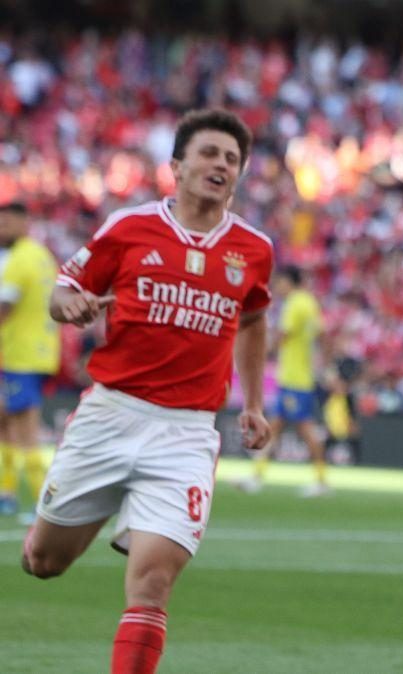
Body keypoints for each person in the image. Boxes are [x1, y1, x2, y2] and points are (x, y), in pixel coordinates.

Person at [21, 109, 274, 674]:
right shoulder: (128, 227)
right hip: (112, 414)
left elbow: (254, 319)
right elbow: (63, 292)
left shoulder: (254, 249)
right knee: (44, 561)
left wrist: (253, 404)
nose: (221, 165)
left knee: (153, 583)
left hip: (186, 432)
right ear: (177, 166)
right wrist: (75, 306)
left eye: (232, 159)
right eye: (209, 154)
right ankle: (64, 525)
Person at [240, 265, 329, 496]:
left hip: (294, 378)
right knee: (274, 426)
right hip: (300, 375)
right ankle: (256, 476)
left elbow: (282, 335)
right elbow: (321, 335)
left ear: (290, 281)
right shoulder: (309, 303)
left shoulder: (294, 305)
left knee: (306, 428)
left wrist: (258, 351)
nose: (278, 287)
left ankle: (321, 481)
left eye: (280, 282)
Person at [0, 202, 60, 521]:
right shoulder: (41, 256)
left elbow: (3, 309)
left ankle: (43, 504)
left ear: (24, 222)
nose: (1, 228)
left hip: (20, 355)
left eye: (6, 222)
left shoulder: (19, 260)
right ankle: (6, 494)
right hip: (39, 352)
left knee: (25, 429)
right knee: (7, 422)